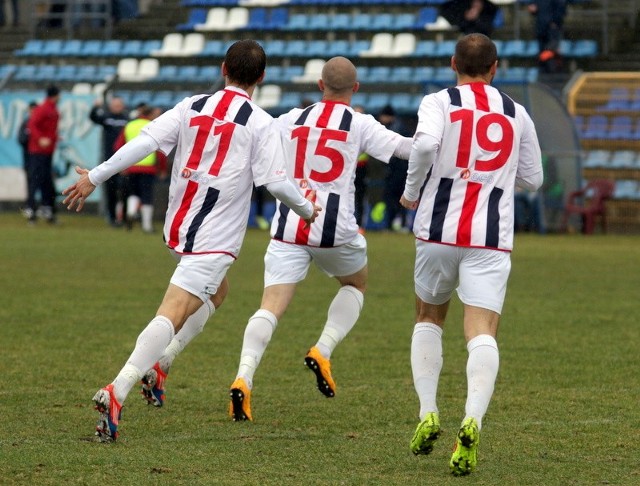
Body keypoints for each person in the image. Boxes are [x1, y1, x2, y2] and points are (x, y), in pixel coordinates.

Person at [62, 39, 321, 442]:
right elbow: (275, 182)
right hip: (214, 237)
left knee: (217, 294)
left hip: (178, 225)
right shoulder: (261, 122)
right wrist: (307, 209)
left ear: (223, 69)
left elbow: (145, 143)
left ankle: (160, 364)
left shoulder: (191, 105)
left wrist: (95, 176)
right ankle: (118, 389)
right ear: (262, 78)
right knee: (175, 309)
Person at [226, 56, 413, 421]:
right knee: (356, 284)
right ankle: (323, 349)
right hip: (335, 229)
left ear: (319, 86)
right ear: (355, 89)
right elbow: (406, 149)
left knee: (270, 306)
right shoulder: (359, 123)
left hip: (289, 226)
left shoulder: (289, 119)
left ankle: (243, 377)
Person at [399, 33, 543, 476]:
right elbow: (534, 179)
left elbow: (423, 146)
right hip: (490, 237)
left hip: (438, 231)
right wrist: (492, 180)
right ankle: (472, 420)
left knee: (428, 317)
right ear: (495, 67)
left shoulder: (439, 101)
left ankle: (428, 411)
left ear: (452, 63)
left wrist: (410, 192)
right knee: (481, 330)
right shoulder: (516, 113)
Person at [113, 104, 167, 233]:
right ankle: (147, 225)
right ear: (150, 115)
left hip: (132, 167)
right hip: (148, 168)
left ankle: (131, 213)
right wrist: (162, 169)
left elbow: (118, 146)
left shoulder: (130, 125)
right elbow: (160, 151)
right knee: (146, 195)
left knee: (134, 193)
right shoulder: (154, 126)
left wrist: (121, 164)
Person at [89, 96, 129, 227]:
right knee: (110, 190)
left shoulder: (126, 119)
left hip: (124, 161)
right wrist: (95, 107)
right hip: (109, 160)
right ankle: (112, 217)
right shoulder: (107, 118)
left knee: (124, 190)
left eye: (119, 105)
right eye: (115, 105)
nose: (117, 108)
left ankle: (123, 217)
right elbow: (93, 117)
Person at [26, 85, 61, 224]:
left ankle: (47, 209)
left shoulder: (52, 109)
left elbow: (50, 130)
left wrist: (54, 138)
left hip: (47, 152)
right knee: (36, 179)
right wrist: (40, 138)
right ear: (56, 95)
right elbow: (32, 125)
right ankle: (30, 210)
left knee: (47, 181)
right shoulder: (43, 109)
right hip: (37, 151)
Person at [379, 104, 411, 232]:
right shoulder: (398, 128)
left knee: (396, 198)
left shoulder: (395, 130)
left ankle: (397, 224)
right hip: (395, 172)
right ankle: (398, 224)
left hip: (398, 172)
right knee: (395, 199)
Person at [527, 0, 568, 72]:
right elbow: (533, 6)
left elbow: (561, 9)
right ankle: (543, 75)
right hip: (541, 30)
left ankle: (553, 75)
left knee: (551, 54)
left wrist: (555, 22)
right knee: (542, 56)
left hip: (552, 31)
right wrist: (532, 8)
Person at [17, 101, 37, 218]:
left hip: (40, 160)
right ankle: (30, 207)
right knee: (31, 184)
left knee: (42, 183)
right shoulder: (26, 123)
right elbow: (21, 139)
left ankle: (45, 207)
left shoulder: (40, 124)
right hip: (29, 159)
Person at [352, 105, 370, 233]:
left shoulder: (366, 131)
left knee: (360, 198)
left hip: (362, 170)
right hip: (348, 169)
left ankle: (360, 225)